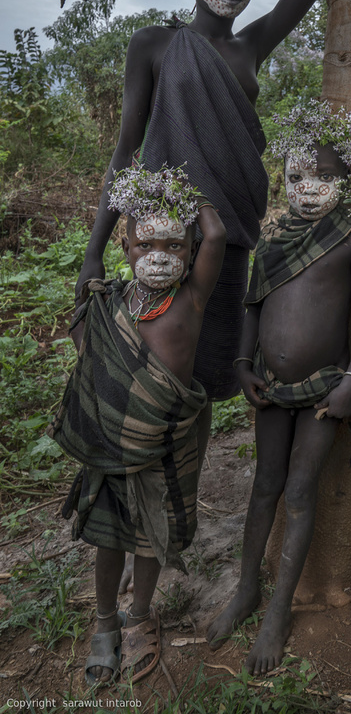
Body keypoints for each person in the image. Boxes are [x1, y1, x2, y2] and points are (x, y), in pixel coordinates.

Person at [75, 0, 338, 466]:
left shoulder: (250, 49)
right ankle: (144, 500)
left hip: (232, 242)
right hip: (167, 236)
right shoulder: (155, 47)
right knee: (153, 372)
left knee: (205, 376)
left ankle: (181, 497)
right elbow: (125, 154)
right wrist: (91, 255)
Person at [206, 111, 351, 675]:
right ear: (285, 176)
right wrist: (241, 364)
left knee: (300, 491)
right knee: (265, 487)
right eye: (300, 174)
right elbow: (253, 307)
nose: (310, 186)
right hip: (269, 385)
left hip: (326, 390)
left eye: (325, 176)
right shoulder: (274, 240)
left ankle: (280, 610)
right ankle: (246, 591)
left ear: (343, 183)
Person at [48, 167, 226, 685]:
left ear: (191, 254)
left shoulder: (191, 300)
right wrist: (116, 211)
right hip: (110, 449)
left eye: (175, 244)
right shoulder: (106, 302)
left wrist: (179, 189)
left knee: (153, 536)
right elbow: (95, 368)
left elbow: (214, 232)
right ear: (125, 246)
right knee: (111, 538)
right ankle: (105, 621)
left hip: (168, 447)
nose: (160, 253)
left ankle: (141, 613)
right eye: (146, 242)